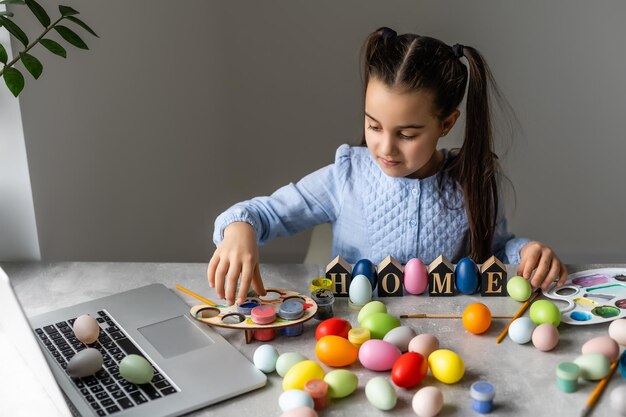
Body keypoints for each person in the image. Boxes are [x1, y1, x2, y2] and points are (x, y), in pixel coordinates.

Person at [208, 27, 568, 306]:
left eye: (407, 133)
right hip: (356, 333)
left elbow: (498, 247)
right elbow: (261, 214)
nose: (384, 147)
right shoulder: (347, 174)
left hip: (448, 336)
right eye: (373, 126)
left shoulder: (473, 180)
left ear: (446, 124)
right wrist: (240, 229)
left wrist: (526, 252)